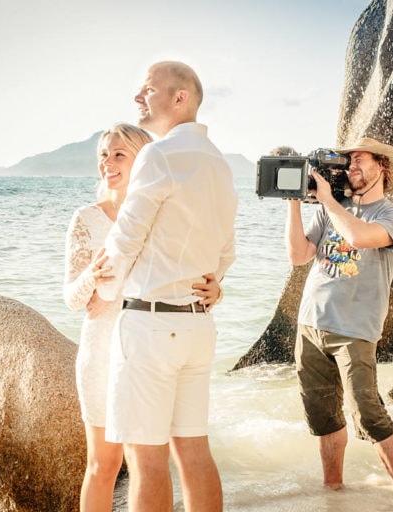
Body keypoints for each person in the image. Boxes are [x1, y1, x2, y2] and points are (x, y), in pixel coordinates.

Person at [94, 61, 237, 512]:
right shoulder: (220, 162)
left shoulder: (159, 155)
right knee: (193, 452)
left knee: (146, 458)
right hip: (196, 328)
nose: (138, 97)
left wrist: (101, 287)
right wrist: (216, 285)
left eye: (148, 90)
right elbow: (227, 249)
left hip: (151, 328)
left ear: (181, 98)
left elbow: (128, 235)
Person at [63, 123, 222, 512]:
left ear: (145, 159)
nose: (108, 163)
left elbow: (191, 272)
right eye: (103, 155)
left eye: (119, 154)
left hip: (152, 346)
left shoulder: (165, 215)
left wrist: (217, 289)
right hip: (102, 350)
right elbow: (72, 299)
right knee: (103, 464)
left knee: (147, 462)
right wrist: (91, 278)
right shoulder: (86, 218)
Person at [285, 137, 393, 512]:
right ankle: (333, 493)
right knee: (323, 417)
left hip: (355, 331)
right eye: (348, 162)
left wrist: (327, 199)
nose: (351, 166)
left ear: (383, 167)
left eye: (359, 159)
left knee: (368, 414)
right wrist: (294, 201)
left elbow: (360, 237)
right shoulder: (331, 209)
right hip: (311, 324)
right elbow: (298, 255)